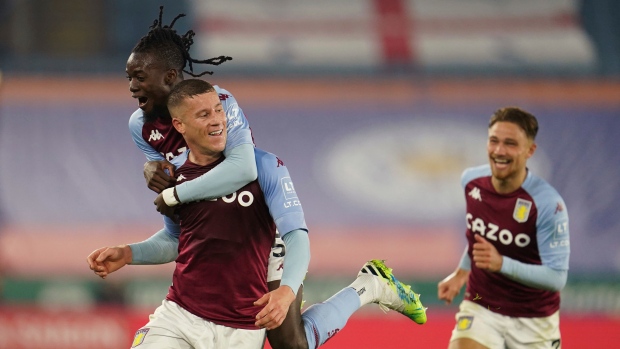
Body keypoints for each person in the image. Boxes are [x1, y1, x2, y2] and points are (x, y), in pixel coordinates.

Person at [120, 7, 427, 349]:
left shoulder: (219, 102)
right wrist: (153, 174)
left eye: (139, 76)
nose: (132, 86)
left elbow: (243, 169)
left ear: (170, 76)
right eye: (130, 76)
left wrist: (177, 195)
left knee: (291, 344)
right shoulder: (140, 126)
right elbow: (166, 187)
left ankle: (369, 286)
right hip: (213, 236)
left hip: (257, 231)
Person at [437, 107, 570, 349]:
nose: (499, 151)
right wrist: (461, 273)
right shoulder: (471, 182)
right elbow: (479, 239)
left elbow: (557, 278)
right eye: (494, 141)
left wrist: (502, 264)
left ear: (530, 150)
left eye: (510, 144)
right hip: (482, 304)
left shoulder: (548, 204)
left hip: (534, 320)